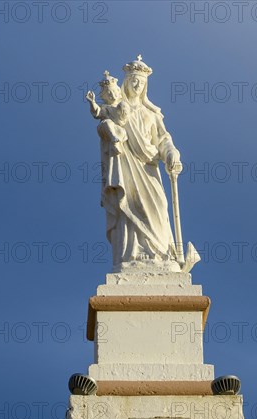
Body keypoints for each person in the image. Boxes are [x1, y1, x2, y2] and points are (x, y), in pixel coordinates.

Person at [88, 55, 182, 271]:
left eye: (141, 81)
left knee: (159, 207)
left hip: (148, 168)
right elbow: (104, 123)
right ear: (126, 82)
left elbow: (163, 139)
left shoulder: (152, 114)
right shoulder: (117, 109)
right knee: (128, 205)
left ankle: (160, 254)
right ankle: (132, 256)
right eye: (133, 80)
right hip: (125, 165)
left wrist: (171, 153)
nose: (137, 84)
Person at [86, 71, 130, 157]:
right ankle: (114, 141)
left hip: (121, 130)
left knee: (123, 105)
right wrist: (92, 102)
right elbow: (97, 113)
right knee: (106, 122)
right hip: (108, 130)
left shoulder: (123, 104)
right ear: (104, 96)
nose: (112, 96)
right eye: (109, 93)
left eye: (114, 92)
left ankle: (116, 143)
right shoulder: (105, 107)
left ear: (118, 91)